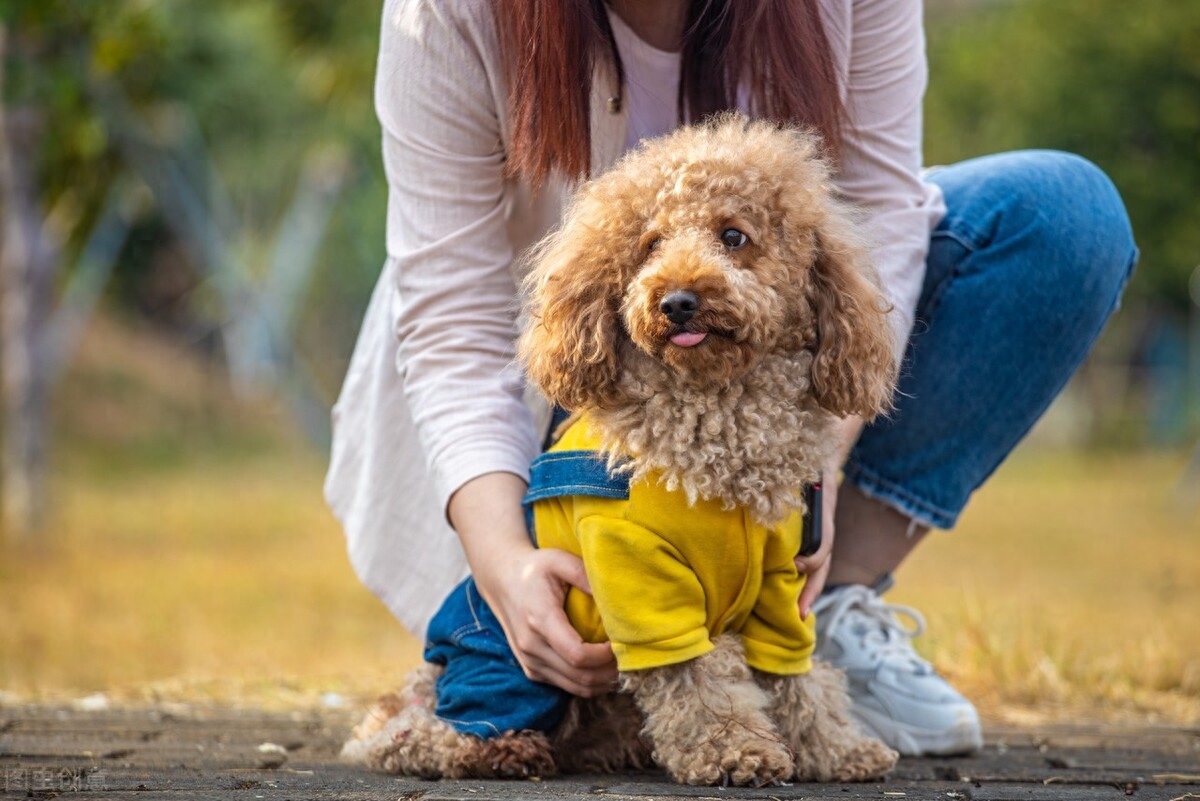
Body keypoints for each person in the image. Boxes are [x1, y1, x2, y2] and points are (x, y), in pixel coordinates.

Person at [325, 0, 1137, 757]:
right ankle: (631, 657)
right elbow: (452, 324)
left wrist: (806, 477)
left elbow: (881, 214)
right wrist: (503, 560)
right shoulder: (448, 13)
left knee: (1060, 214)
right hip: (555, 407)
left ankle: (820, 608)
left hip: (776, 393)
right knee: (559, 623)